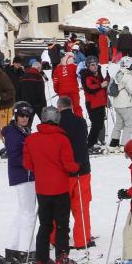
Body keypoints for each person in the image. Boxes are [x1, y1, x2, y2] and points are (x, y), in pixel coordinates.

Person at [22, 105, 80, 264]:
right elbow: (68, 165)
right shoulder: (62, 139)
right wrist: (77, 167)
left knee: (45, 225)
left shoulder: (31, 139)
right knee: (62, 225)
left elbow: (27, 164)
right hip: (60, 188)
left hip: (42, 189)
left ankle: (41, 260)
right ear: (57, 119)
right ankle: (62, 258)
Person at [0, 101, 36, 264]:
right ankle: (25, 249)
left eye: (27, 115)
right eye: (21, 115)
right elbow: (14, 157)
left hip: (25, 176)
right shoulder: (14, 133)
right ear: (15, 115)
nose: (24, 118)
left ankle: (13, 247)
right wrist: (33, 163)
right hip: (23, 176)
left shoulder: (23, 131)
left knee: (23, 211)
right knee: (28, 213)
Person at [56, 96, 93, 251]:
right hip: (81, 169)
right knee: (81, 206)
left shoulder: (57, 124)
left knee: (59, 207)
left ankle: (55, 238)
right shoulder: (80, 122)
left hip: (62, 172)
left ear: (59, 108)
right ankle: (82, 239)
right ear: (71, 106)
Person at [109, 56, 132, 150]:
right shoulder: (127, 75)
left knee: (118, 124)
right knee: (129, 125)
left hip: (117, 105)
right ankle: (124, 145)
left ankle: (113, 144)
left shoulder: (117, 73)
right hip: (126, 104)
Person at [80, 57, 109, 149]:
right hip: (92, 104)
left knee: (100, 124)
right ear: (88, 66)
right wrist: (100, 85)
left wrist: (107, 79)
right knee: (96, 125)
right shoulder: (86, 75)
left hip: (100, 103)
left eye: (96, 64)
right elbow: (89, 88)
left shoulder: (98, 73)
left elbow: (104, 84)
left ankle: (95, 142)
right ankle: (89, 144)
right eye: (92, 65)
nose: (95, 66)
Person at [52, 51, 82, 118]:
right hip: (74, 90)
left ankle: (65, 123)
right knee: (76, 107)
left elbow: (55, 81)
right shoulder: (75, 67)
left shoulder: (57, 68)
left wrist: (57, 91)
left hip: (62, 92)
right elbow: (81, 76)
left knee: (64, 108)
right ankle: (79, 121)